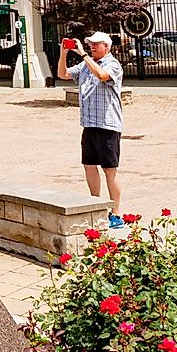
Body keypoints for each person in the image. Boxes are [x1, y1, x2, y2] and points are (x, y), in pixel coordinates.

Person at [58, 31, 126, 229]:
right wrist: (64, 53)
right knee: (89, 166)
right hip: (89, 124)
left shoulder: (112, 64)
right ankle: (95, 204)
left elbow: (102, 75)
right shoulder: (85, 66)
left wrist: (84, 55)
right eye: (90, 44)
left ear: (107, 46)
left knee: (110, 169)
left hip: (107, 125)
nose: (92, 47)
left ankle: (116, 213)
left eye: (96, 44)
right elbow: (63, 74)